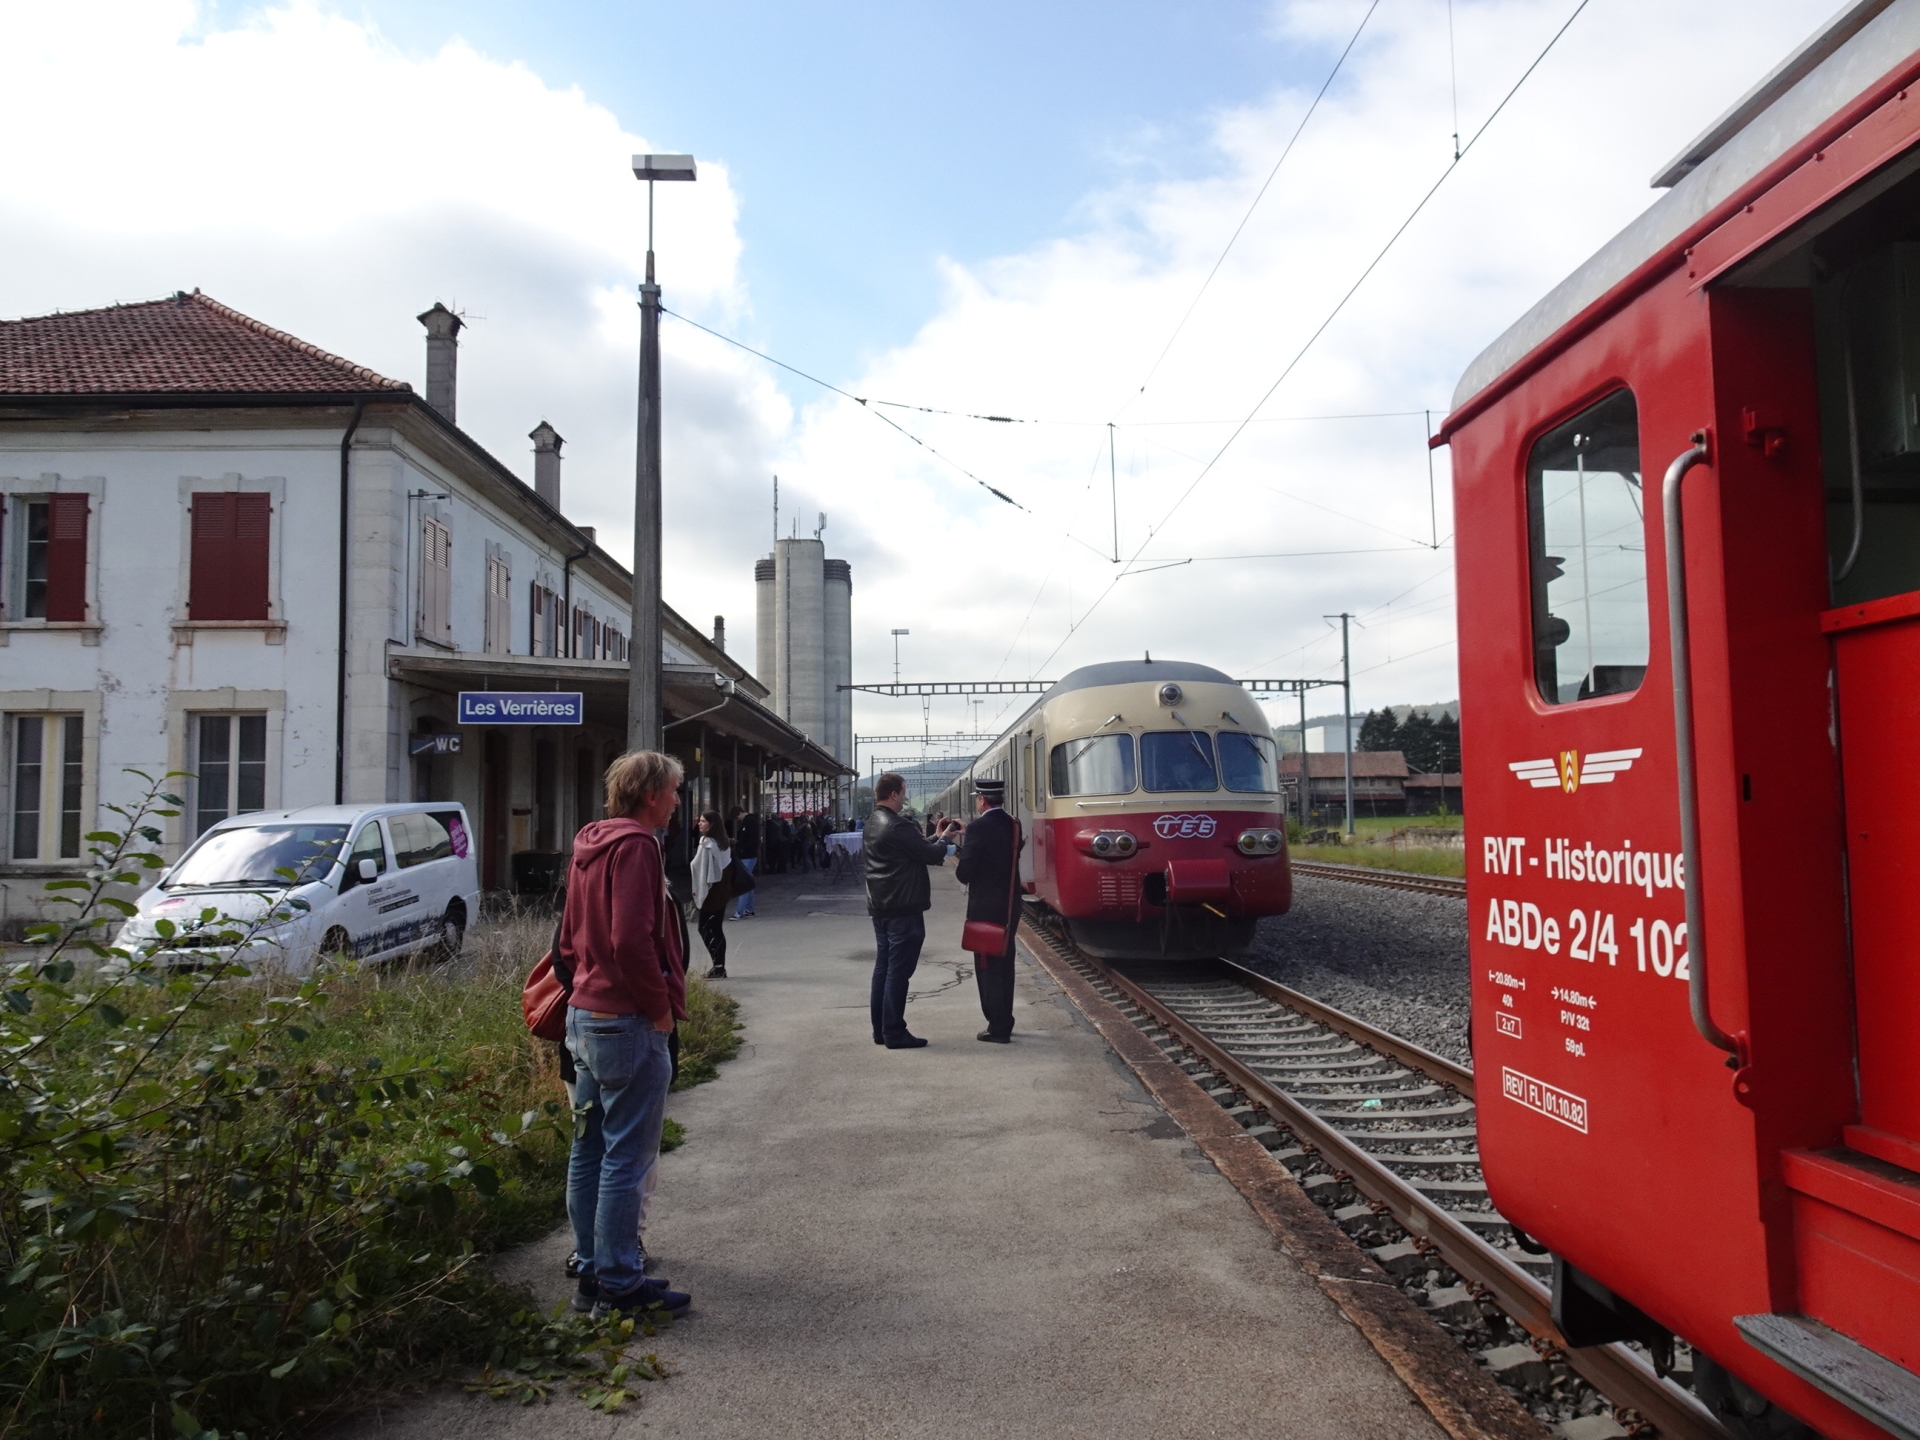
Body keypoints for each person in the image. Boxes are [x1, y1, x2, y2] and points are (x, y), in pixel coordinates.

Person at [558, 749, 692, 1318]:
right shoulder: (637, 846)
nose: (679, 802)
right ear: (650, 795)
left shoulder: (590, 843)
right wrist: (659, 1007)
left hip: (585, 1017)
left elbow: (568, 940)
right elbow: (631, 940)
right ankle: (620, 1284)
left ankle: (592, 1270)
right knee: (626, 1159)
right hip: (627, 1022)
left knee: (588, 1151)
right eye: (674, 791)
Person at [864, 773, 961, 1048]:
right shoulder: (897, 825)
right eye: (904, 791)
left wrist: (939, 836)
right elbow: (930, 855)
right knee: (898, 972)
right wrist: (944, 841)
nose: (905, 796)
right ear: (894, 794)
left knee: (883, 968)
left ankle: (880, 1031)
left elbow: (914, 848)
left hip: (881, 906)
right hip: (903, 908)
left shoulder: (873, 822)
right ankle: (894, 1031)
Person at [955, 778, 1024, 1043]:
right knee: (1005, 964)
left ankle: (997, 1027)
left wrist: (961, 847)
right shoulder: (1013, 823)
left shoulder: (978, 827)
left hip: (985, 908)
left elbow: (965, 873)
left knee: (987, 967)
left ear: (982, 800)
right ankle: (1005, 1020)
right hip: (1009, 905)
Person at [690, 810, 733, 979]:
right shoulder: (723, 843)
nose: (699, 824)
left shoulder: (707, 843)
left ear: (712, 824)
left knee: (705, 928)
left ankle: (718, 966)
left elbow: (703, 870)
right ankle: (719, 966)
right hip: (722, 890)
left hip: (711, 891)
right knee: (716, 928)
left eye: (702, 821)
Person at [731, 807, 759, 919]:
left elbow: (751, 839)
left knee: (744, 883)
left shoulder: (750, 822)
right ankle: (749, 909)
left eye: (737, 816)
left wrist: (741, 848)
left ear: (740, 813)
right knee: (748, 882)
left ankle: (740, 911)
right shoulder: (749, 821)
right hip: (749, 854)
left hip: (747, 855)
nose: (737, 819)